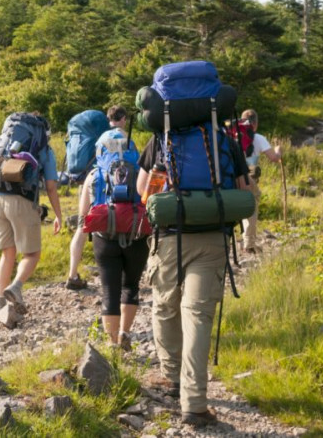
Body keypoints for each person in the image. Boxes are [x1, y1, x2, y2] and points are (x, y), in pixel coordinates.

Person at [136, 130, 253, 427]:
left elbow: (142, 190)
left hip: (168, 240)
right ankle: (195, 403)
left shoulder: (161, 139)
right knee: (198, 316)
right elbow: (244, 190)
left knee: (165, 306)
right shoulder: (224, 139)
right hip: (212, 238)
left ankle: (172, 376)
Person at [78, 130, 150, 349]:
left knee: (110, 291)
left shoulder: (94, 175)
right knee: (131, 286)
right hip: (137, 234)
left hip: (104, 238)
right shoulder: (141, 172)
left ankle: (112, 344)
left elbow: (83, 215)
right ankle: (125, 334)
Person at [0, 114, 63, 323]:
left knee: (7, 253)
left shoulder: (5, 143)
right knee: (32, 254)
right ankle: (16, 287)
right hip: (21, 200)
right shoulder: (44, 150)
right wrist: (58, 215)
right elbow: (50, 186)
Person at [65, 105, 129, 290]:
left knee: (82, 226)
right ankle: (117, 274)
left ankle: (72, 274)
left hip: (87, 179)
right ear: (123, 118)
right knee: (116, 223)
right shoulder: (119, 137)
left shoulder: (99, 136)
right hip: (107, 184)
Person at [239, 109, 281, 254]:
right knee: (252, 204)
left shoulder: (231, 135)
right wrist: (278, 150)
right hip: (246, 177)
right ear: (255, 123)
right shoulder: (258, 138)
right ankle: (249, 244)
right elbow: (274, 158)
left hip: (228, 175)